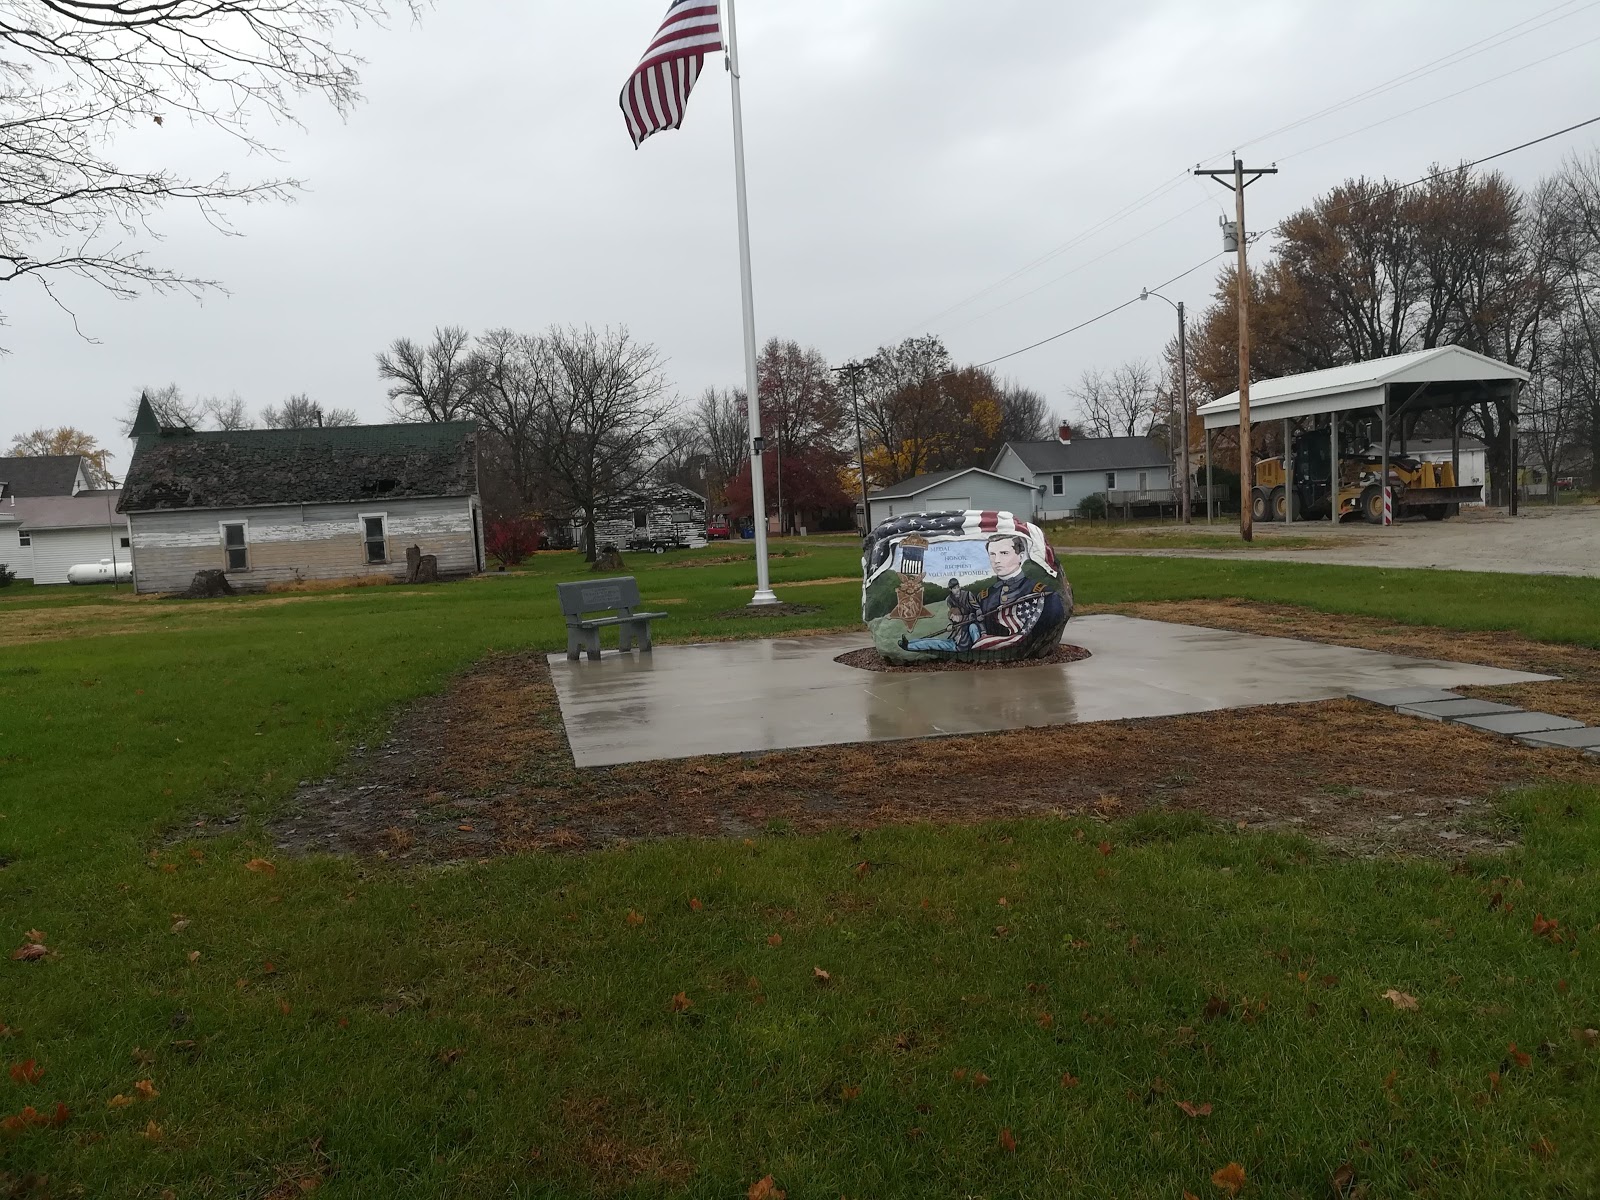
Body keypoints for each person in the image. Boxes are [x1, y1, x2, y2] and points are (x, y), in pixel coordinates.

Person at [900, 535, 1062, 654]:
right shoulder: (985, 596)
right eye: (992, 554)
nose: (996, 560)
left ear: (1020, 556)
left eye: (1004, 553)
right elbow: (973, 620)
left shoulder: (1040, 594)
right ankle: (912, 644)